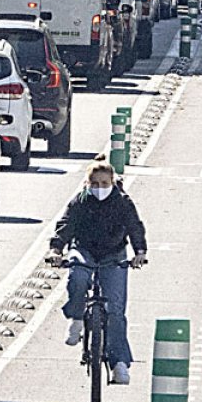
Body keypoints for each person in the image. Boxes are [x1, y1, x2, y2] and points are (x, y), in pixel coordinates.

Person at [46, 159, 147, 385]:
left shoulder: (122, 202)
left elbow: (134, 226)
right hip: (84, 249)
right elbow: (65, 225)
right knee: (78, 277)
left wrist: (140, 251)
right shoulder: (80, 201)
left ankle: (119, 363)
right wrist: (56, 250)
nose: (99, 188)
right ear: (87, 183)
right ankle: (76, 316)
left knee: (116, 309)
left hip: (114, 254)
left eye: (104, 183)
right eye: (95, 183)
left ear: (113, 182)